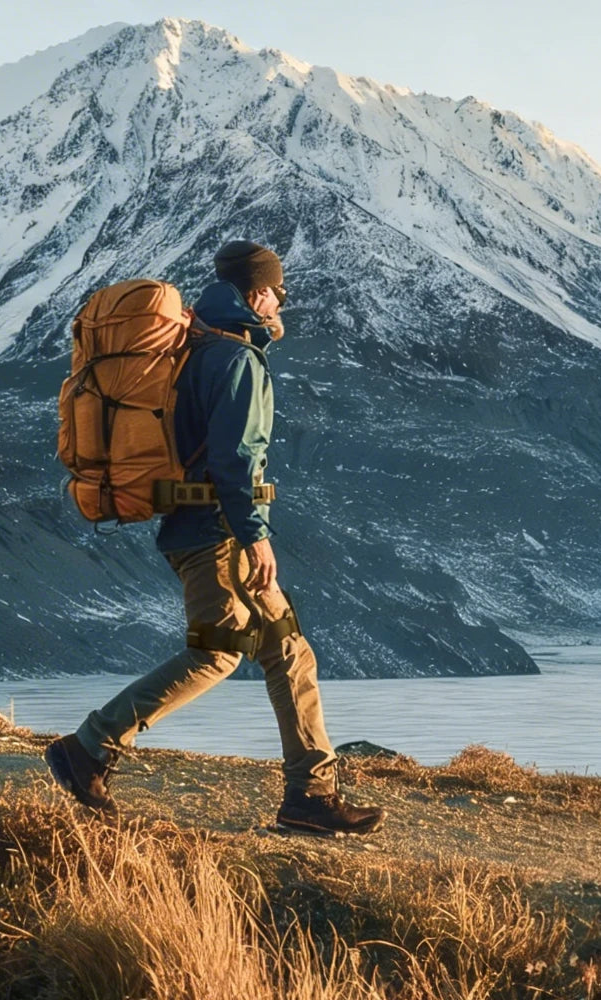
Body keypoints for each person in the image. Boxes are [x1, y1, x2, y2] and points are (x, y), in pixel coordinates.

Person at [44, 240, 385, 835]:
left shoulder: (196, 349)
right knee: (220, 652)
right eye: (279, 292)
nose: (282, 303)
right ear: (257, 293)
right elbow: (235, 461)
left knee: (285, 649)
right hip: (220, 533)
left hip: (192, 527)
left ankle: (310, 792)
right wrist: (255, 537)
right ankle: (89, 747)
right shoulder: (237, 360)